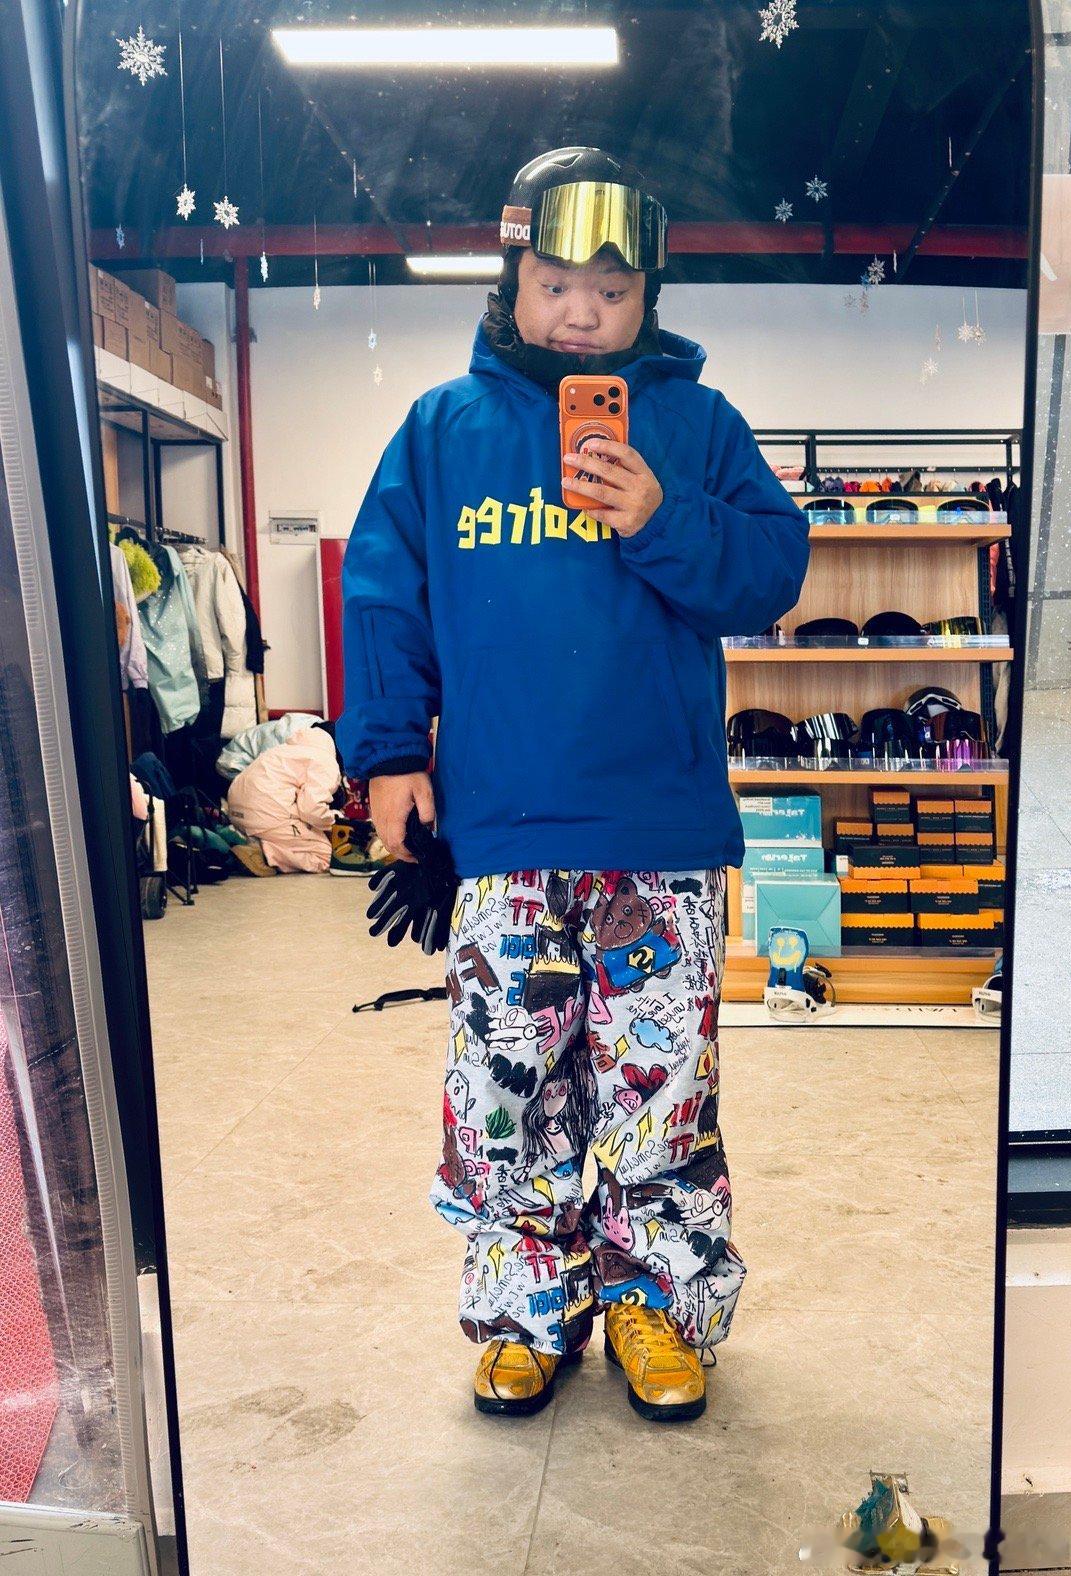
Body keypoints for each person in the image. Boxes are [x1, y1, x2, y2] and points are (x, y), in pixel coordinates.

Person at [339, 147, 810, 1421]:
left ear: (650, 293)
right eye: (556, 284)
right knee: (508, 1095)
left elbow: (773, 572)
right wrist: (389, 755)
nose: (583, 314)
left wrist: (661, 513)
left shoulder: (698, 427)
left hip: (660, 833)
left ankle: (658, 1302)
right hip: (502, 835)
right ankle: (524, 1311)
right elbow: (383, 595)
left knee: (660, 1092)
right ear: (511, 281)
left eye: (613, 290)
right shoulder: (444, 429)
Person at [226, 719, 342, 874]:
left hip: (236, 813)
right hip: (266, 815)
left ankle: (252, 842)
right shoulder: (325, 760)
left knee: (307, 830)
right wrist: (333, 822)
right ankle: (263, 853)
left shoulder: (286, 748)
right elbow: (311, 809)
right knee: (327, 857)